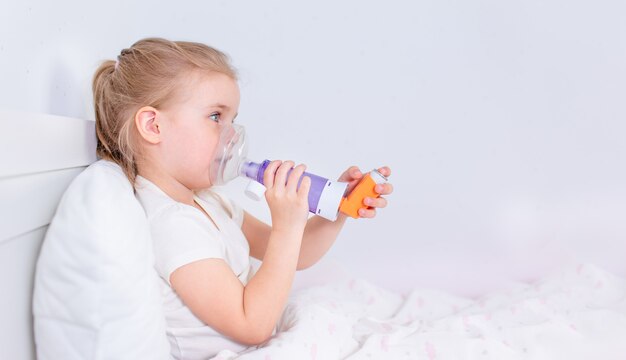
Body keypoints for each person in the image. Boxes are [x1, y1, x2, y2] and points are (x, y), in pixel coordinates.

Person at [92, 37, 393, 359]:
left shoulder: (208, 202)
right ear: (153, 126)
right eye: (215, 116)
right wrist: (286, 226)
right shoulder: (171, 226)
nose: (232, 134)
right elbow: (252, 325)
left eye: (232, 119)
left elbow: (299, 254)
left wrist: (340, 208)